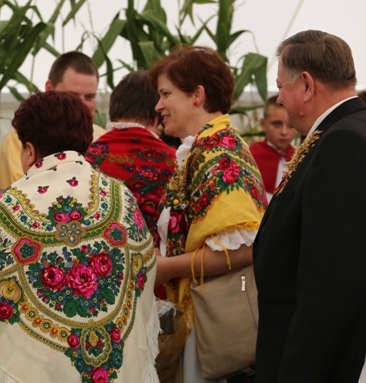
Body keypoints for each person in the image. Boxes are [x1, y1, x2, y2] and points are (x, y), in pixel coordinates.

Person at [0, 91, 159, 382]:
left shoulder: (4, 209)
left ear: (28, 149)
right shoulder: (122, 197)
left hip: (38, 369)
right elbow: (143, 271)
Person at [253, 30, 366, 383]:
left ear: (307, 85)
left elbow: (332, 284)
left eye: (282, 86)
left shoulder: (343, 142)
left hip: (328, 362)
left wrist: (297, 372)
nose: (279, 98)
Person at [150, 45, 266, 383]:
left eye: (166, 94)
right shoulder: (205, 147)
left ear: (197, 95)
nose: (158, 106)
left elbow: (243, 248)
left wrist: (166, 268)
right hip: (201, 315)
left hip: (215, 319)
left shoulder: (220, 153)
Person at [85, 70, 176, 251]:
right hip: (157, 271)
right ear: (156, 117)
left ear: (112, 113)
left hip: (97, 269)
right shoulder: (175, 162)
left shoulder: (86, 158)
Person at [0, 51, 107, 188]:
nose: (81, 105)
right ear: (49, 88)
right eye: (72, 96)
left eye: (89, 97)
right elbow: (20, 195)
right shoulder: (20, 140)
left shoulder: (104, 139)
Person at [249, 95, 297, 201]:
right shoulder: (250, 157)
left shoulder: (300, 157)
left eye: (290, 125)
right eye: (276, 124)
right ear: (263, 123)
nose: (284, 132)